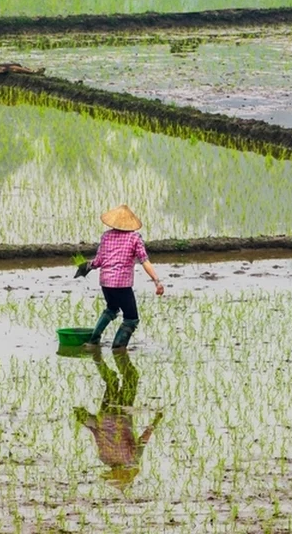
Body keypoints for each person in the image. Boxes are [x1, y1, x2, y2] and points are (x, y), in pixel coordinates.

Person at [73, 349, 162, 491]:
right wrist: (83, 418)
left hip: (122, 413)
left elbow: (144, 439)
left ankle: (119, 354)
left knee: (131, 378)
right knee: (112, 382)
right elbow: (97, 432)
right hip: (106, 413)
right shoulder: (104, 458)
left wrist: (156, 421)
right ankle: (97, 356)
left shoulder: (132, 459)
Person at [84, 205, 164, 350]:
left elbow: (98, 261)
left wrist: (87, 266)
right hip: (122, 284)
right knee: (131, 318)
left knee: (112, 308)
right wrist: (156, 281)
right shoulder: (135, 238)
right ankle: (118, 347)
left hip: (106, 282)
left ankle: (93, 341)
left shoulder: (106, 236)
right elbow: (144, 260)